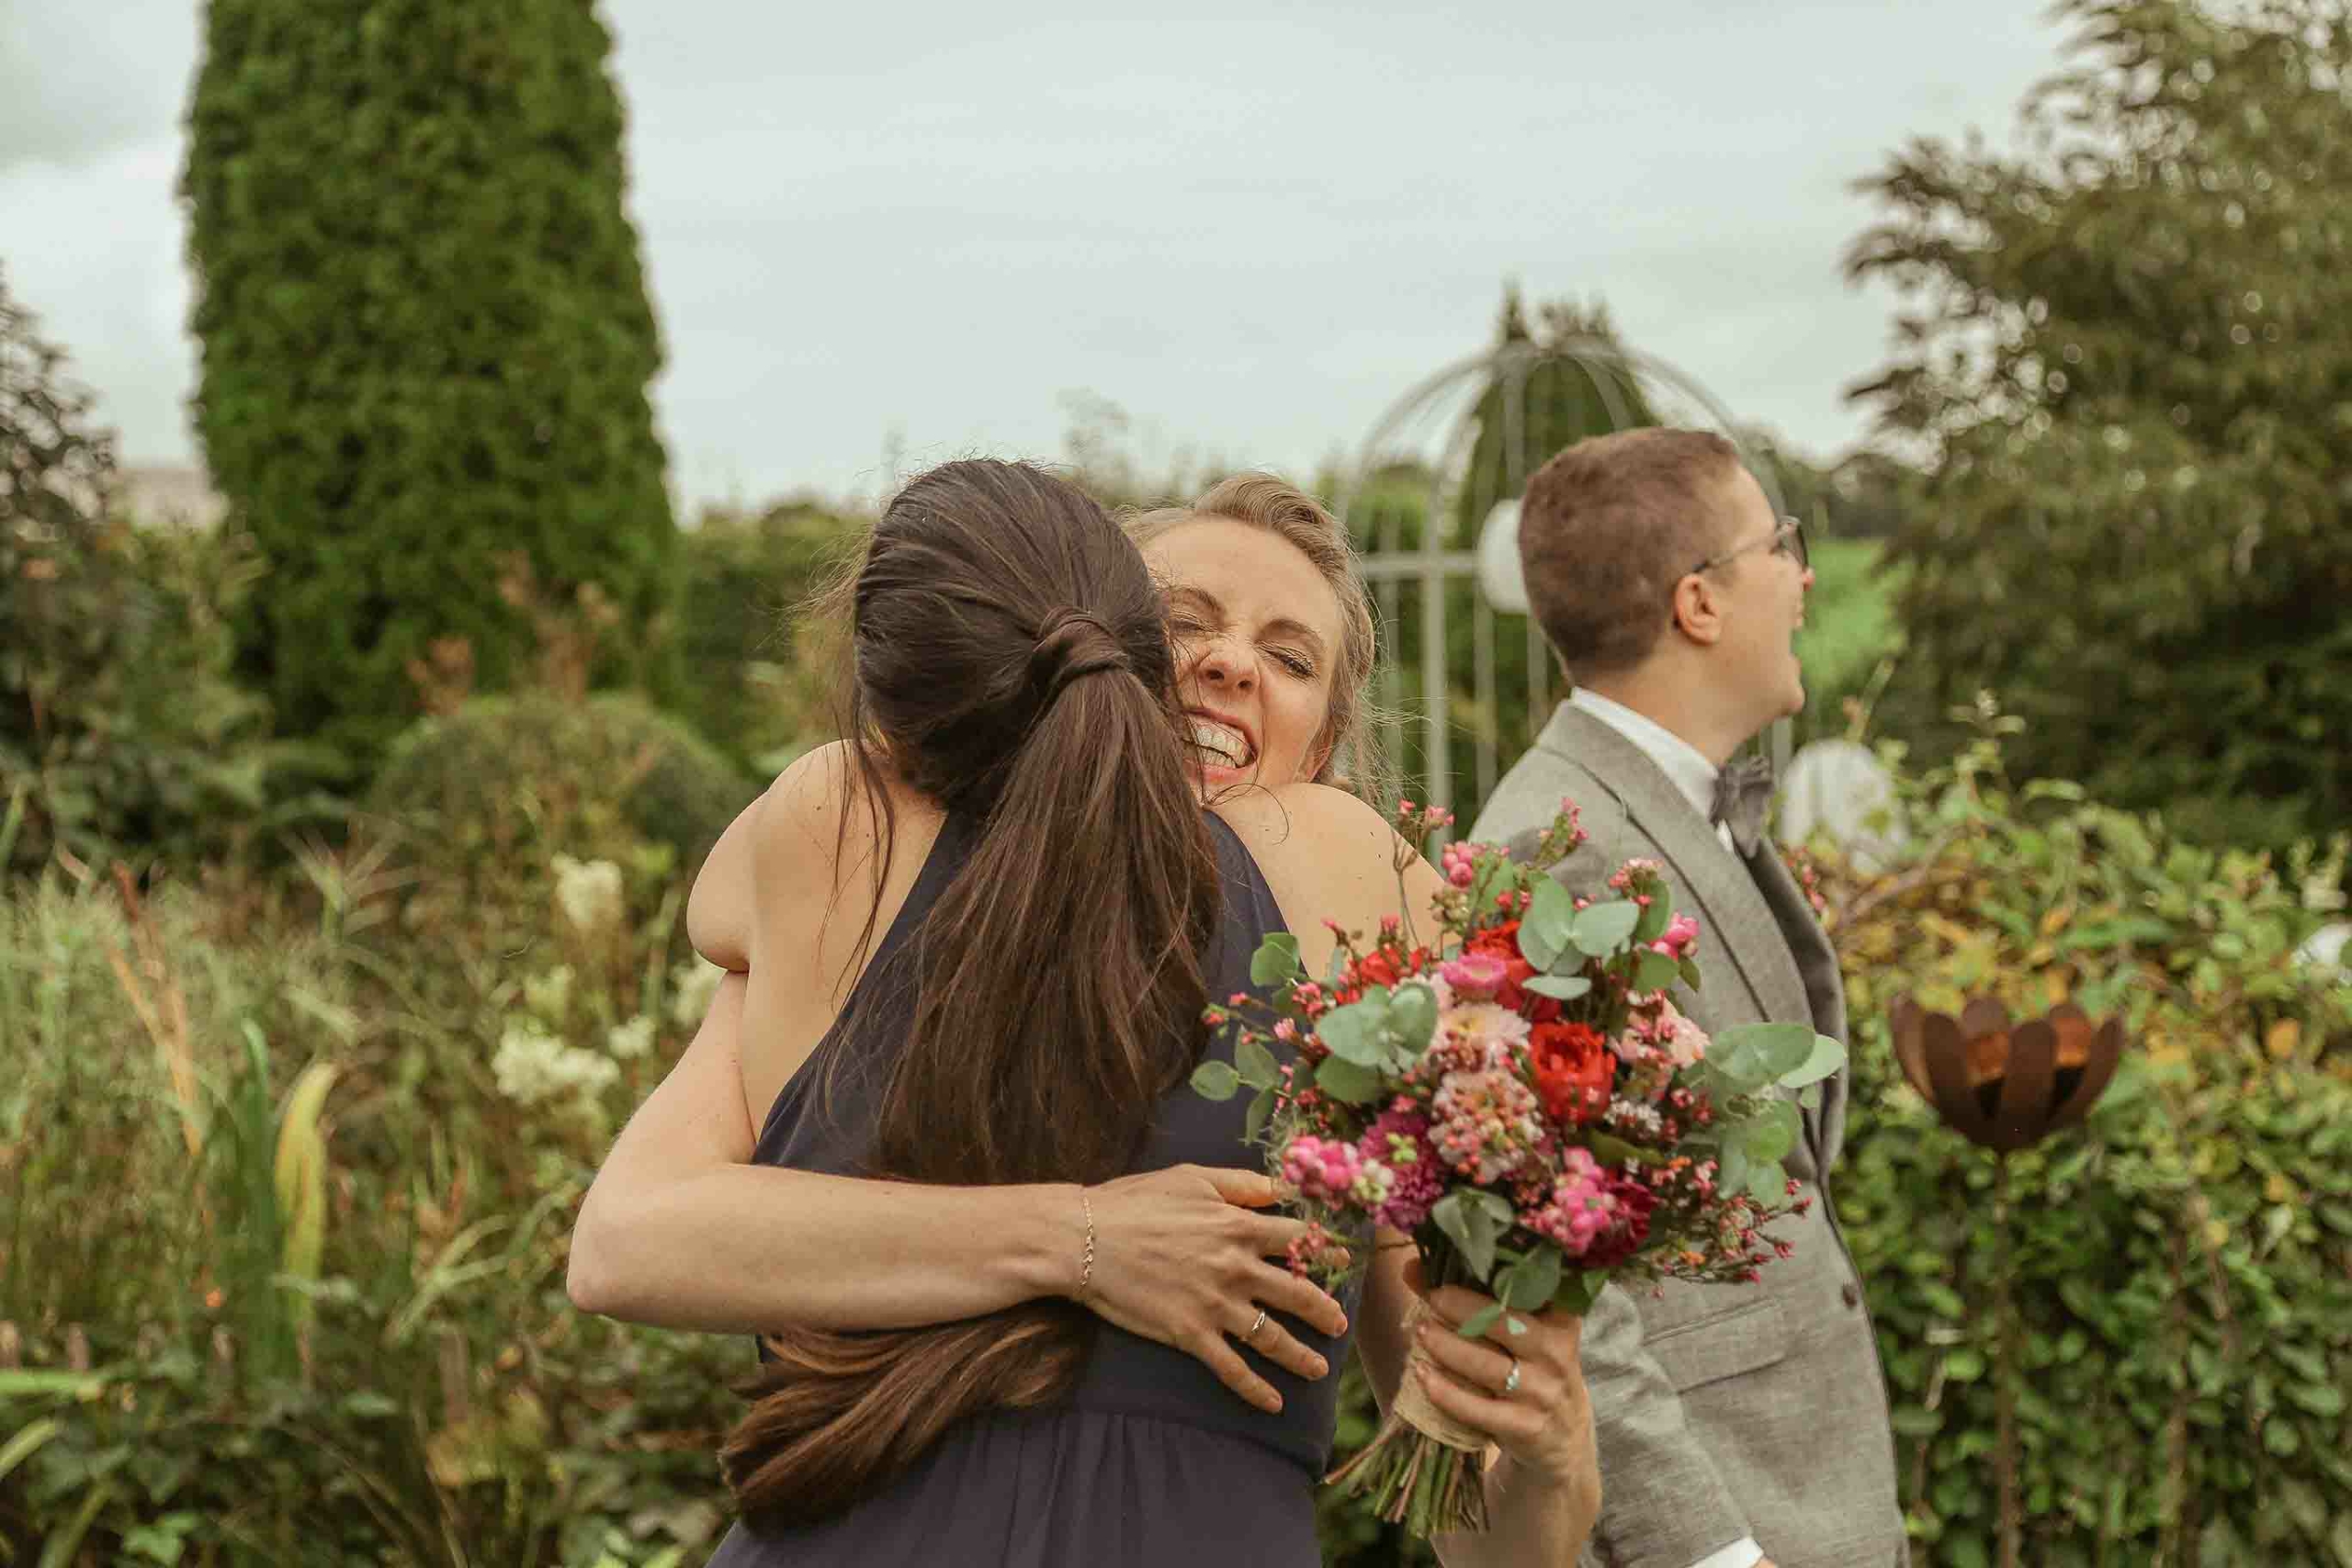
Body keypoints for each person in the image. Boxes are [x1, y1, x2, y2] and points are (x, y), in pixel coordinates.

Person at [568, 462, 1600, 1565]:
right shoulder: (860, 843)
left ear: (1325, 744)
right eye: (1177, 625)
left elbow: (1497, 1549)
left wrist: (1555, 1448)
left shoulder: (1345, 903)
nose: (1227, 663)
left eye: (1289, 657)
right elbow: (626, 1242)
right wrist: (1088, 1238)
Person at [1469, 428, 1907, 1568]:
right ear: (1699, 602)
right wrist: (1709, 1551)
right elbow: (1556, 1275)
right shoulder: (1554, 845)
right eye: (1782, 546)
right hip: (1728, 1518)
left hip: (1803, 1485)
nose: (1805, 578)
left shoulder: (1666, 809)